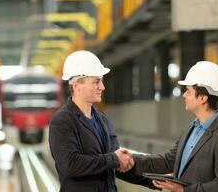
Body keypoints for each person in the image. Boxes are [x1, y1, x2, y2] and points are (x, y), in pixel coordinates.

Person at [49, 50, 154, 192]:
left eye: (101, 81)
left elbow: (118, 164)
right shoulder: (62, 121)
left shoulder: (103, 119)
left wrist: (154, 181)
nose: (102, 87)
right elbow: (71, 165)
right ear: (77, 86)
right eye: (96, 82)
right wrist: (113, 159)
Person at [131, 61, 218, 192]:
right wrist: (131, 160)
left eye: (188, 91)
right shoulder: (192, 128)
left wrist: (184, 190)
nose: (184, 95)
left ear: (202, 98)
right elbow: (169, 161)